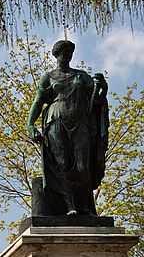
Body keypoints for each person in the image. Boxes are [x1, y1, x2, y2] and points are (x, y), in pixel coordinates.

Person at [26, 39, 108, 216]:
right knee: (61, 164)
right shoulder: (48, 77)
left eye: (70, 52)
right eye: (65, 52)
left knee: (82, 166)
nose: (68, 55)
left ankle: (83, 206)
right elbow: (38, 102)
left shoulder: (81, 76)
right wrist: (30, 125)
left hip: (80, 122)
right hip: (56, 121)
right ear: (57, 55)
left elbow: (95, 102)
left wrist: (103, 89)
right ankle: (69, 205)